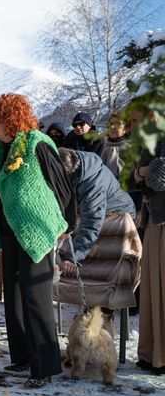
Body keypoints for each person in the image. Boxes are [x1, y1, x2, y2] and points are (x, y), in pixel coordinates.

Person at [0, 93, 76, 388]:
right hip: (12, 228)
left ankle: (45, 366)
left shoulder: (37, 144)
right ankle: (23, 356)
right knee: (13, 294)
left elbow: (62, 188)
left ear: (10, 119)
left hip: (36, 229)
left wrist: (66, 226)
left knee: (36, 298)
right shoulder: (5, 149)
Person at [58, 148, 135, 276]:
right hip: (98, 213)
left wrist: (73, 257)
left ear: (66, 172)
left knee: (101, 265)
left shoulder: (93, 184)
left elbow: (92, 223)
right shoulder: (75, 162)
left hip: (118, 217)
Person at [132, 137, 165, 375]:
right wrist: (143, 171)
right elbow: (136, 178)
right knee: (152, 288)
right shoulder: (152, 137)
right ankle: (153, 354)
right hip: (155, 217)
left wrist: (144, 170)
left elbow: (159, 177)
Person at [99, 115, 131, 179]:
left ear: (127, 128)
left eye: (118, 124)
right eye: (110, 124)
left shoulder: (132, 149)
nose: (112, 127)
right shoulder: (102, 146)